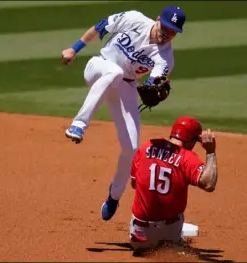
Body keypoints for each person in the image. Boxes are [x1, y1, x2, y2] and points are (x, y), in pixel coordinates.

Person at [61, 5, 187, 221]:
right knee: (115, 72)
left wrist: (153, 85)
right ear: (157, 19)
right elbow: (101, 27)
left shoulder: (165, 58)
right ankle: (79, 124)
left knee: (131, 148)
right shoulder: (133, 18)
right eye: (165, 27)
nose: (167, 33)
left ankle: (113, 196)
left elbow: (153, 81)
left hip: (125, 86)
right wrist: (74, 48)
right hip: (99, 67)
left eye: (173, 31)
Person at [128, 116, 219, 252]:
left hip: (140, 236)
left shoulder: (146, 147)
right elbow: (209, 184)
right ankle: (172, 244)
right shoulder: (187, 157)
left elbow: (134, 184)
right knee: (175, 234)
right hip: (169, 233)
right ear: (193, 140)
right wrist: (211, 152)